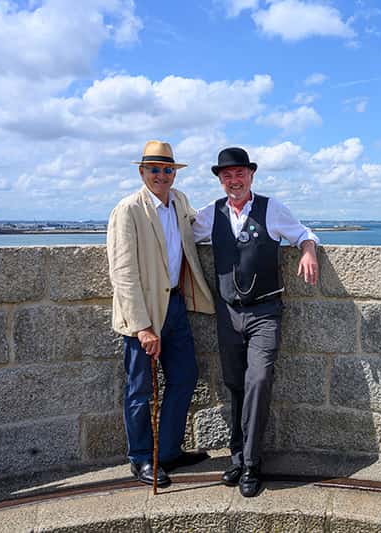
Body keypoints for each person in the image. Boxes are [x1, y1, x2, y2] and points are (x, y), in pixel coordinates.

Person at [193, 147, 319, 497]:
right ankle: (236, 456)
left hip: (265, 312)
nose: (234, 180)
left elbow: (303, 233)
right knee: (234, 385)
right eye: (227, 175)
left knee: (259, 380)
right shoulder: (209, 214)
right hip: (227, 312)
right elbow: (179, 239)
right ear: (220, 179)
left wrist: (308, 250)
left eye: (240, 174)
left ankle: (251, 464)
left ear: (251, 175)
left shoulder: (271, 208)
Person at [107, 140, 215, 487]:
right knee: (140, 390)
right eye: (154, 169)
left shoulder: (180, 201)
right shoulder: (128, 209)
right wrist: (141, 327)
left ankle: (167, 450)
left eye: (168, 169)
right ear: (142, 172)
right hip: (145, 315)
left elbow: (201, 226)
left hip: (176, 305)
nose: (162, 175)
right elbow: (122, 272)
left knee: (184, 378)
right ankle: (141, 459)